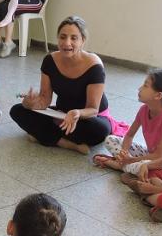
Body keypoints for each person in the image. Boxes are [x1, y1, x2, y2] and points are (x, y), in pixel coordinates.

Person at [10, 16, 128, 154]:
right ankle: (67, 144)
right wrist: (29, 104)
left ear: (82, 40)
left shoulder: (94, 65)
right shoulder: (49, 60)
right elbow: (45, 100)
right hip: (61, 114)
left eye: (74, 38)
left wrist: (77, 112)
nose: (67, 43)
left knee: (99, 131)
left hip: (89, 117)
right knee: (17, 111)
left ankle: (43, 135)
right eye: (63, 37)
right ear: (58, 38)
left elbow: (93, 109)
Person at [93, 69, 162, 176]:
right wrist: (124, 153)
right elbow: (130, 135)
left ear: (158, 96)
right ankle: (124, 164)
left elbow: (160, 156)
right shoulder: (144, 110)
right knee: (110, 139)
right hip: (150, 155)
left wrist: (131, 160)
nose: (139, 88)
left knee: (150, 170)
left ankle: (118, 165)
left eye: (145, 85)